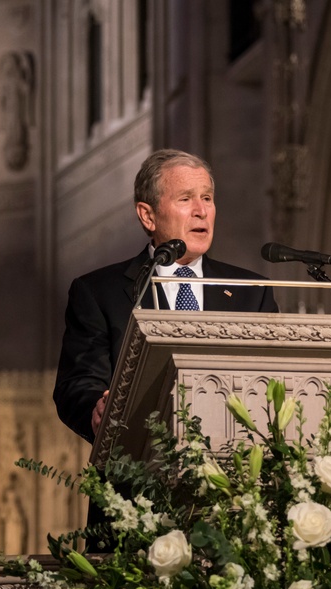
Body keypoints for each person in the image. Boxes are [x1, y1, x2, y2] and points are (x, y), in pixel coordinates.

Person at [54, 149, 278, 444]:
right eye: (186, 199)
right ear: (148, 216)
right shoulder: (98, 292)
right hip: (137, 473)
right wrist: (96, 410)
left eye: (207, 198)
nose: (201, 210)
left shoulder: (252, 292)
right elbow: (78, 385)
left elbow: (274, 382)